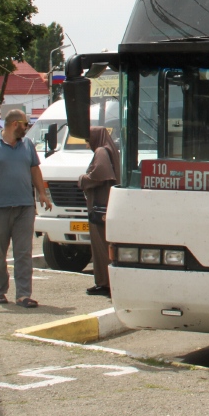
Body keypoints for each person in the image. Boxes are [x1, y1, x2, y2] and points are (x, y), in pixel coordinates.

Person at [0, 109, 52, 308]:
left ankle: (23, 295)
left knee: (23, 252)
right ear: (15, 124)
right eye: (25, 124)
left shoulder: (27, 145)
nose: (27, 128)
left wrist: (42, 193)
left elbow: (35, 169)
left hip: (24, 206)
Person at [79, 126, 119, 297]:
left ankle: (104, 283)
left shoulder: (101, 151)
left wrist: (82, 179)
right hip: (107, 204)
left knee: (100, 246)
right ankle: (107, 282)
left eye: (88, 140)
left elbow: (100, 174)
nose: (87, 144)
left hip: (100, 205)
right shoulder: (110, 149)